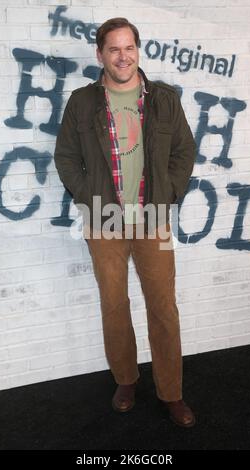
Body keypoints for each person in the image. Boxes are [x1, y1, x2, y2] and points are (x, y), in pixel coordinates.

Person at [54, 17, 196, 427]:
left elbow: (183, 152)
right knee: (114, 306)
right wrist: (88, 198)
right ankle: (126, 380)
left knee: (163, 309)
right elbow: (66, 157)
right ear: (100, 54)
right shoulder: (82, 102)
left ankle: (171, 393)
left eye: (128, 47)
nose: (122, 56)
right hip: (103, 221)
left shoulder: (164, 99)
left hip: (154, 217)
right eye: (113, 49)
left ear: (138, 50)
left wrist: (168, 193)